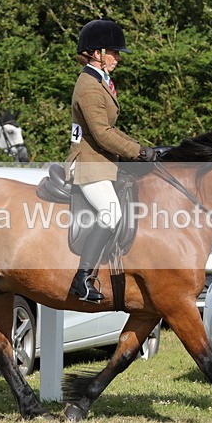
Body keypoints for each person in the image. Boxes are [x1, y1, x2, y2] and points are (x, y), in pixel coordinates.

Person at [65, 19, 157, 302]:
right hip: (89, 163)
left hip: (103, 162)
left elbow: (111, 130)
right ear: (97, 53)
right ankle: (82, 279)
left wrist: (142, 148)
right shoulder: (89, 87)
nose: (117, 58)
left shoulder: (101, 81)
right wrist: (137, 152)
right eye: (114, 53)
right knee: (110, 214)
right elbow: (102, 134)